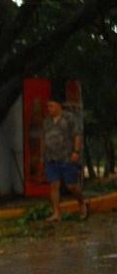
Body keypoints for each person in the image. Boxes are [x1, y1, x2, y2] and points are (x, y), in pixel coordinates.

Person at [42, 82, 86, 222]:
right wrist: (41, 156)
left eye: (51, 106)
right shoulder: (47, 121)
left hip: (67, 157)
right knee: (54, 185)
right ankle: (56, 213)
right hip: (51, 158)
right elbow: (43, 138)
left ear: (59, 106)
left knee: (71, 185)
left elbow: (77, 135)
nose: (49, 108)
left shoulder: (69, 118)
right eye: (48, 106)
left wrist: (76, 151)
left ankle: (82, 204)